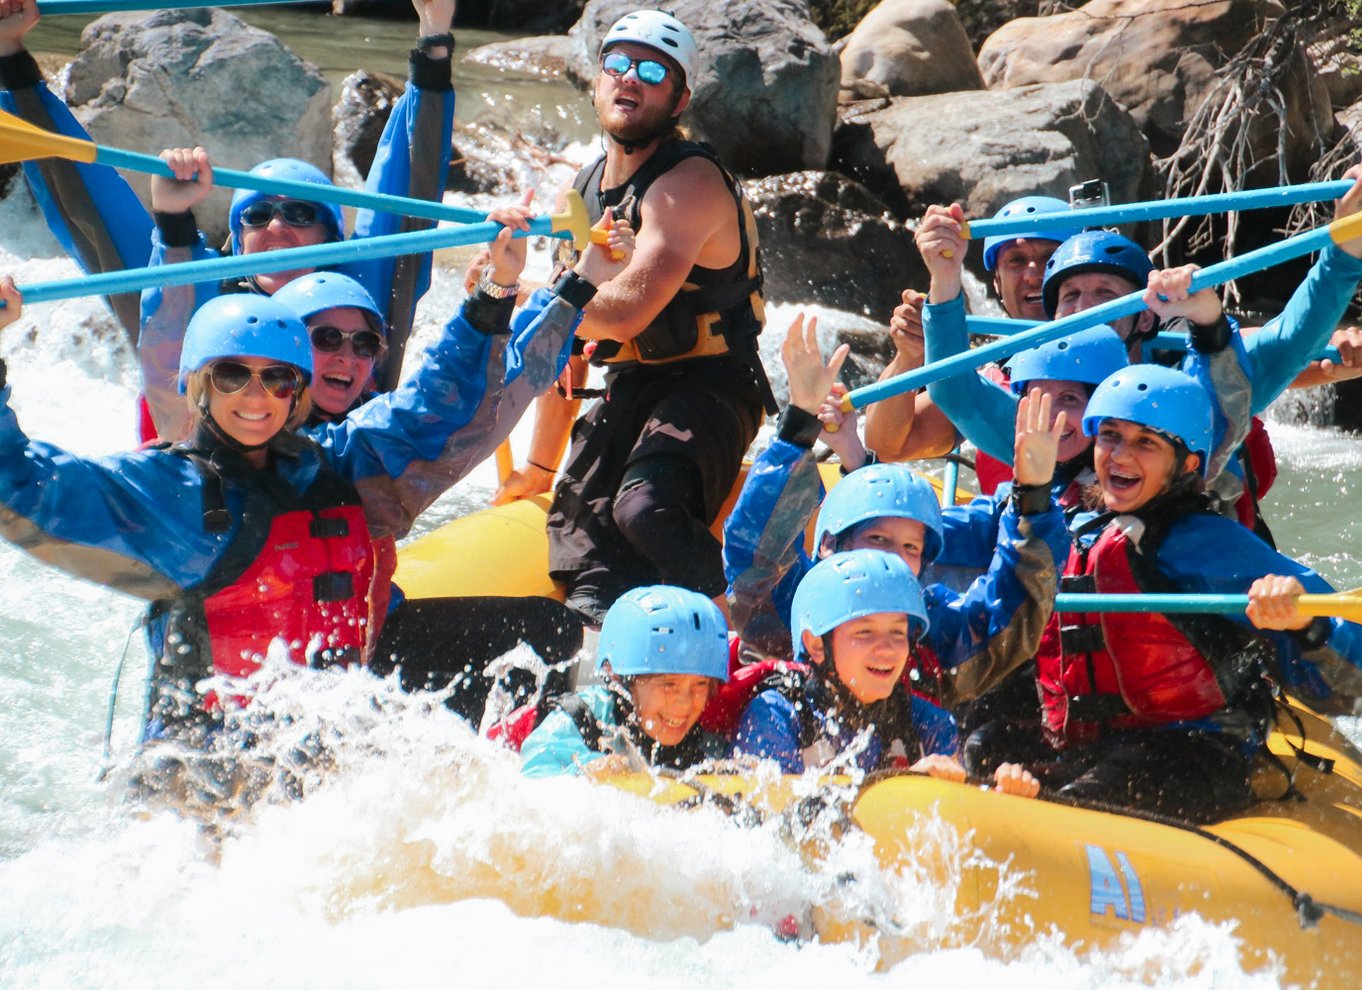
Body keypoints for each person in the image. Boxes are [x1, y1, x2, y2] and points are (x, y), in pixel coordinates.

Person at [0, 206, 626, 741]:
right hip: (212, 756)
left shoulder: (337, 462)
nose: (256, 395)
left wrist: (496, 291)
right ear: (198, 385)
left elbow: (442, 404)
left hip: (334, 718)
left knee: (546, 631)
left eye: (276, 378)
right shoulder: (176, 492)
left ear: (295, 389)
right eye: (232, 375)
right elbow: (25, 484)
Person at [0, 0, 457, 439]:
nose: (277, 228)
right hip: (209, 494)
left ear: (331, 237)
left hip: (339, 488)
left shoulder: (363, 302)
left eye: (300, 213)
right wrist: (12, 57)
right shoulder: (186, 294)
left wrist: (434, 38)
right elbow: (89, 206)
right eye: (258, 216)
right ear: (236, 242)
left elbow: (409, 188)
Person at [968, 364, 1362, 822]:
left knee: (1103, 784)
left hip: (1192, 746)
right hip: (1089, 738)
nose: (1119, 456)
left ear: (1187, 464)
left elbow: (1349, 679)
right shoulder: (1073, 522)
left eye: (1145, 443)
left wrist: (1304, 624)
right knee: (986, 739)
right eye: (1110, 436)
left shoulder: (1205, 543)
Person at [489, 9, 773, 626]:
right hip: (632, 388)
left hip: (715, 386)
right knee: (581, 554)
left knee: (647, 509)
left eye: (652, 70)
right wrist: (538, 471)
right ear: (597, 82)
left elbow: (619, 314)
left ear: (679, 99)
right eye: (617, 65)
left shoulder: (687, 184)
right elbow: (566, 351)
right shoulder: (584, 189)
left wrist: (514, 292)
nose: (630, 79)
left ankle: (735, 636)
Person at [722, 313, 1070, 730]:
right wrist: (799, 424)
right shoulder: (793, 604)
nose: (895, 557)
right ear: (832, 547)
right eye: (879, 539)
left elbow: (1011, 617)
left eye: (910, 547)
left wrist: (1032, 496)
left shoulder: (930, 635)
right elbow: (756, 550)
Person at [732, 548, 1039, 796]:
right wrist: (899, 787)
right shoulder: (777, 714)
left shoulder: (930, 724)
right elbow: (773, 822)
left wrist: (1003, 797)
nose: (888, 649)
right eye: (865, 632)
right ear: (816, 645)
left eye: (898, 632)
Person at [864, 195, 1081, 466]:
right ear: (997, 283)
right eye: (1016, 260)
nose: (1033, 275)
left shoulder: (1124, 347)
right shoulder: (989, 377)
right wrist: (908, 358)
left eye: (1050, 258)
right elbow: (887, 447)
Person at [520, 585, 732, 778]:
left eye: (701, 684)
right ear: (618, 676)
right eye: (669, 684)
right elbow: (533, 777)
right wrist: (589, 770)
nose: (684, 703)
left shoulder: (706, 746)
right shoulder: (581, 718)